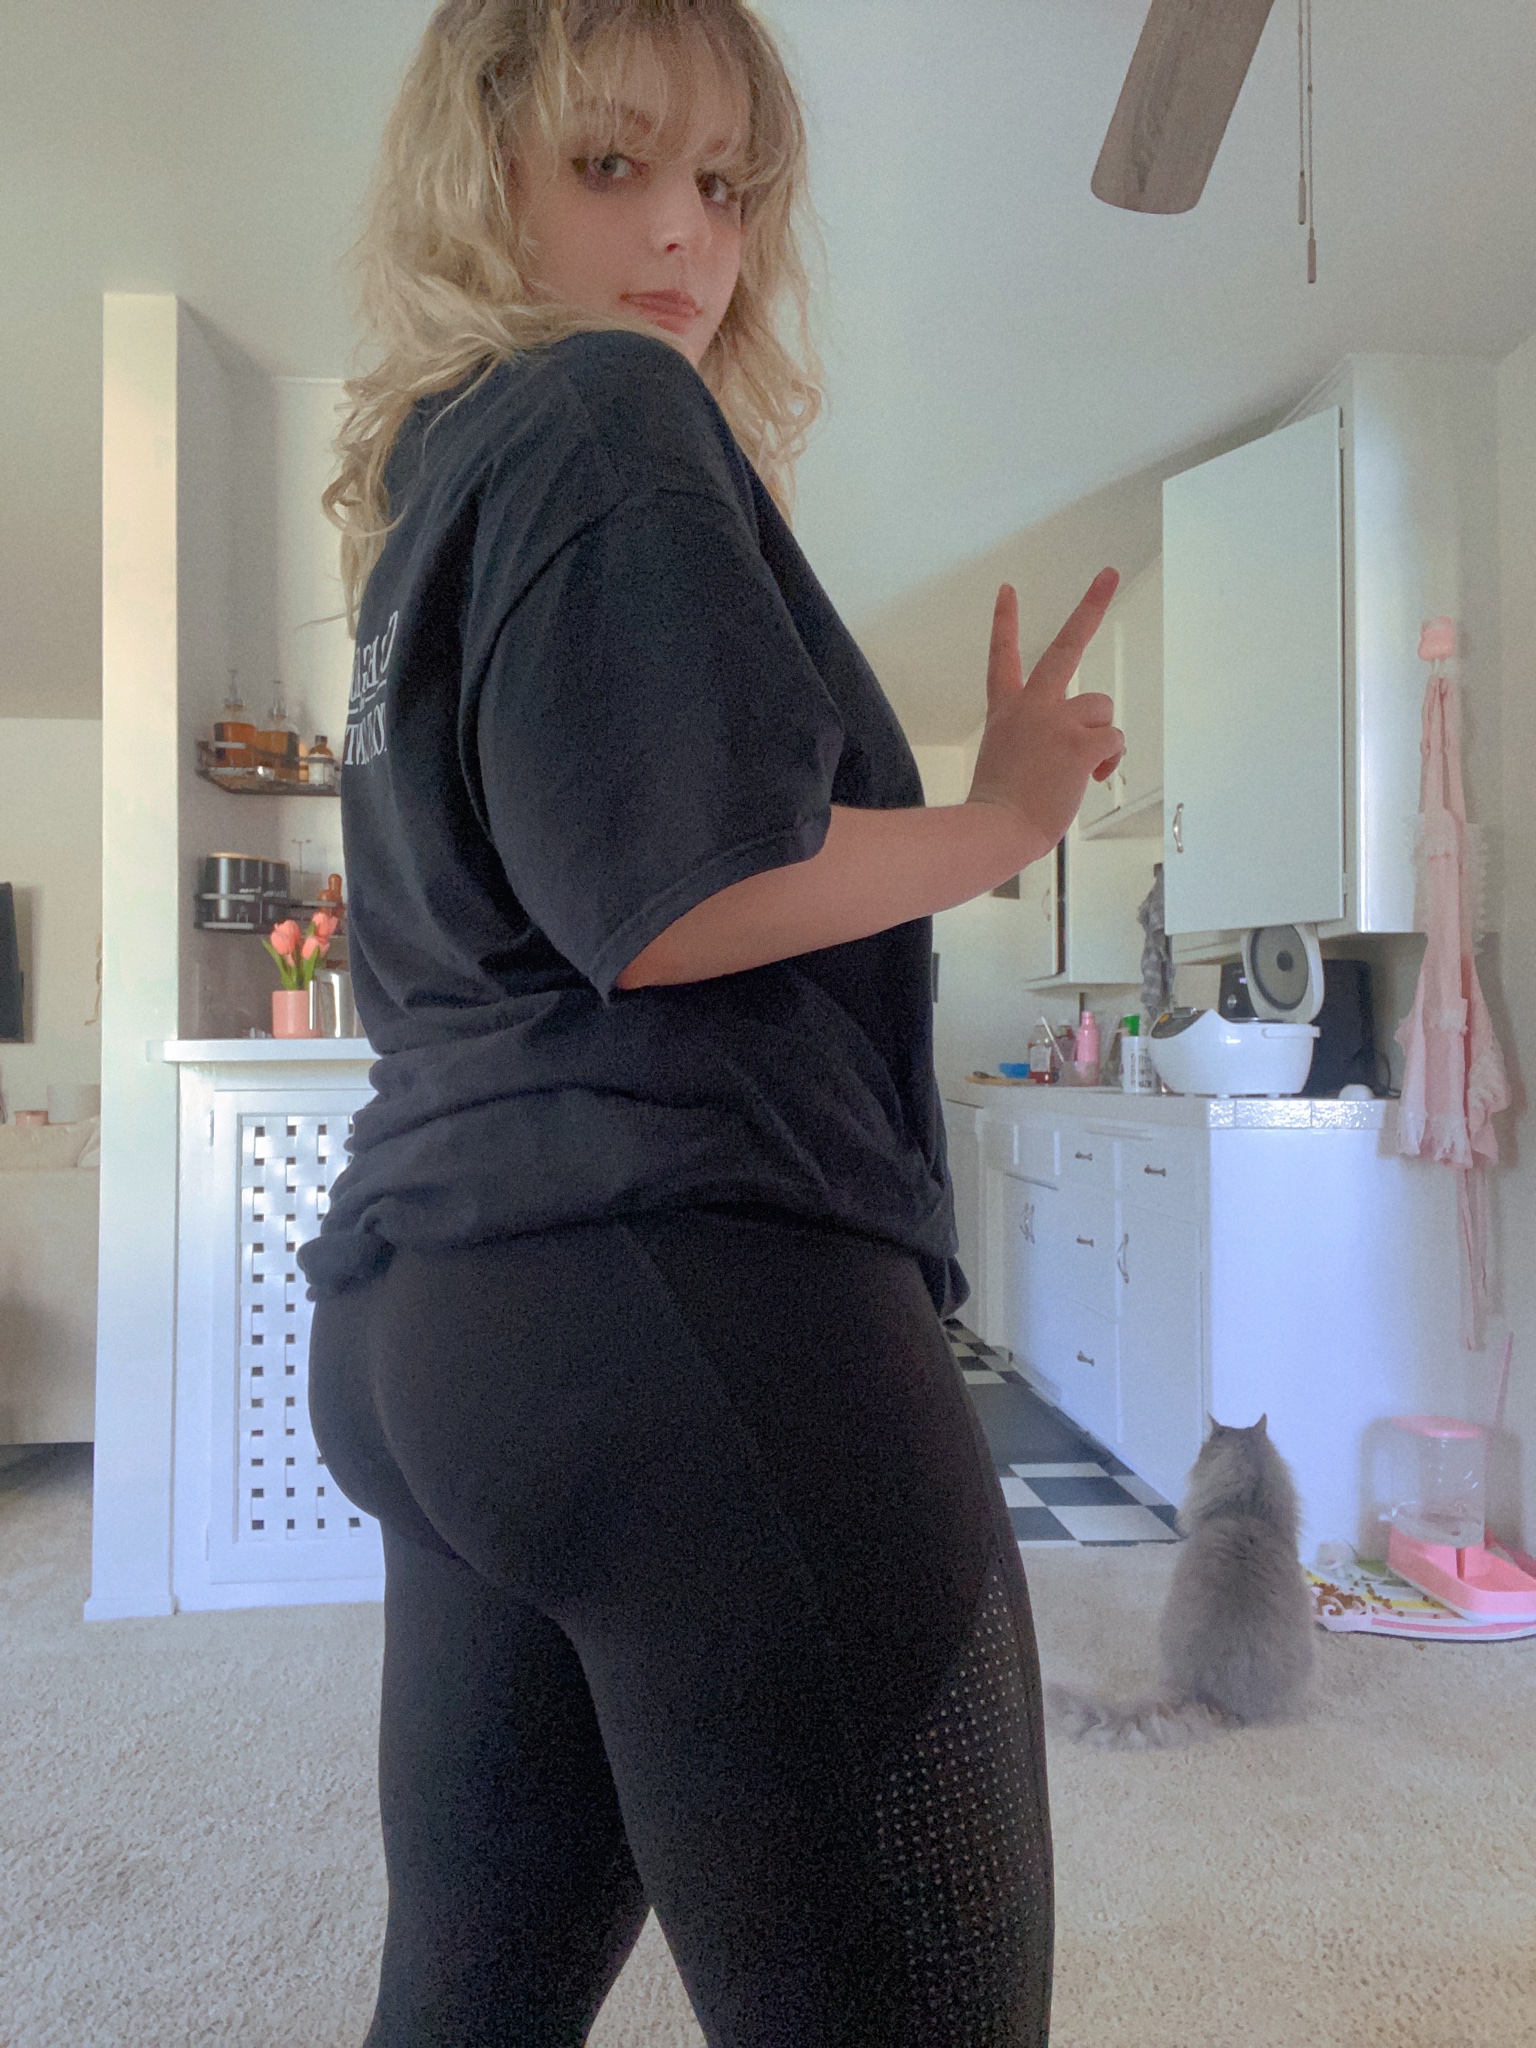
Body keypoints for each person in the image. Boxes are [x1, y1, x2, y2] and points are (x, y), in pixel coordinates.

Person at [301, 2, 1123, 2042]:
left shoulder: (438, 494)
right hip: (690, 1300)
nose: (685, 233)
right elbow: (674, 894)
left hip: (438, 1322)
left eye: (725, 184)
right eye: (613, 165)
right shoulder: (605, 408)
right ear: (478, 176)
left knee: (465, 2000)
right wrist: (1005, 821)